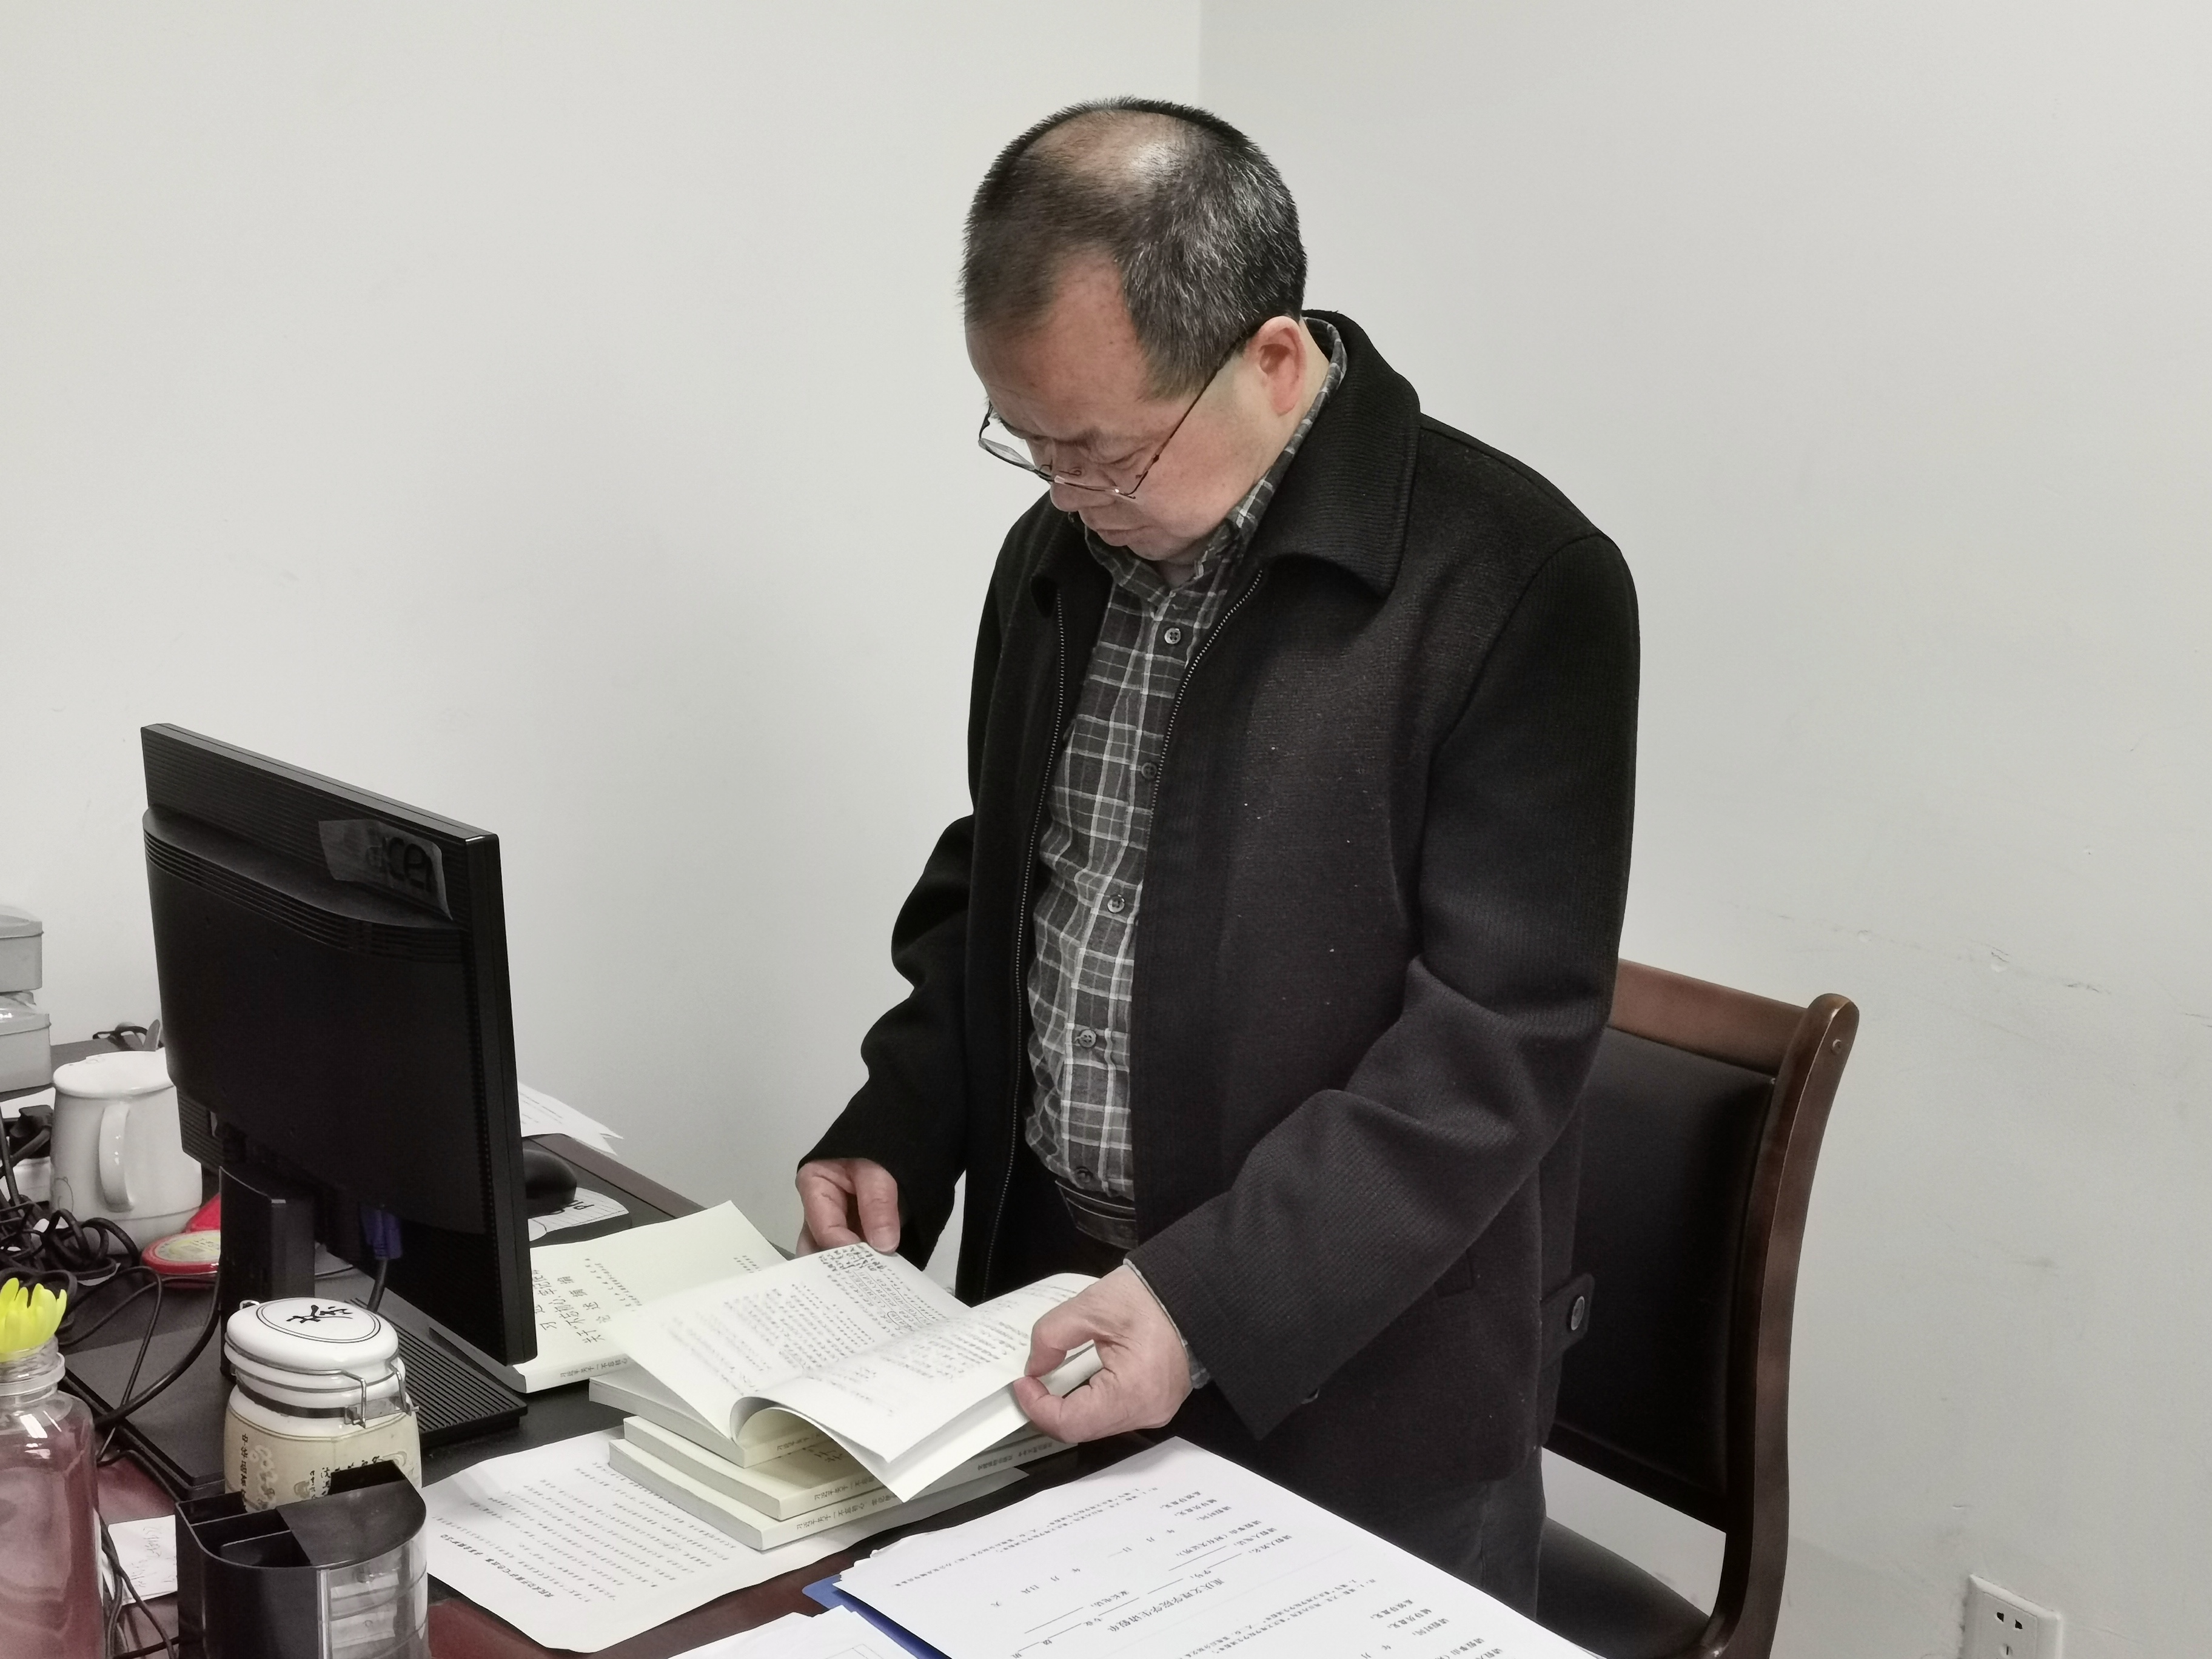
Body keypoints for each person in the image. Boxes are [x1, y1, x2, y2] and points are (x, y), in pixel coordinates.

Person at [796, 98, 1637, 1608]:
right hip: (1061, 1327)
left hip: (1360, 1395)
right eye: (1030, 445)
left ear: (1271, 360)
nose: (1067, 496)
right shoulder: (1064, 549)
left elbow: (1498, 1042)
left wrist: (1206, 1300)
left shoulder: (1515, 581)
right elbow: (1019, 873)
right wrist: (900, 1123)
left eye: (1106, 453)